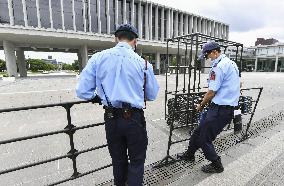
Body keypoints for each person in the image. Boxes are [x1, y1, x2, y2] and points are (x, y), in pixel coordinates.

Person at [76, 23, 159, 186]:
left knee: (118, 160)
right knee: (136, 160)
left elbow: (82, 91)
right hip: (134, 117)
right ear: (135, 41)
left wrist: (98, 98)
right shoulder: (144, 64)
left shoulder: (98, 58)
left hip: (111, 117)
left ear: (116, 38)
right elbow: (152, 95)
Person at [177, 41, 240, 173]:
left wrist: (200, 105)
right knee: (198, 132)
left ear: (215, 52)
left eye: (207, 55)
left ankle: (216, 164)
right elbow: (238, 84)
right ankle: (189, 155)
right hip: (223, 108)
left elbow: (212, 92)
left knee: (204, 138)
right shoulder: (232, 63)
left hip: (220, 109)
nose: (208, 58)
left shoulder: (219, 66)